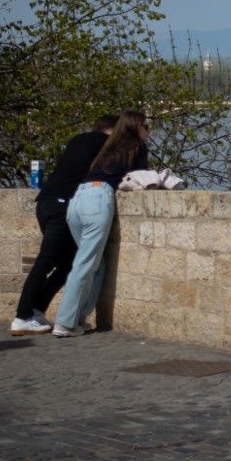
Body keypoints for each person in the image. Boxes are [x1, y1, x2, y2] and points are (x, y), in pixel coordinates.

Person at [10, 114, 118, 336]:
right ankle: (22, 316)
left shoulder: (78, 139)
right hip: (62, 205)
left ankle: (36, 310)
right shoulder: (102, 142)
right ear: (112, 130)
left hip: (46, 202)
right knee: (47, 260)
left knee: (69, 263)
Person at [53, 110, 150, 338]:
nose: (149, 132)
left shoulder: (109, 147)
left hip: (78, 200)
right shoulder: (137, 147)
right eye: (147, 126)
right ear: (136, 127)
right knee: (86, 264)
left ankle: (79, 319)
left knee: (97, 265)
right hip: (98, 200)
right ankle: (65, 322)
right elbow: (142, 179)